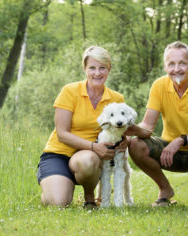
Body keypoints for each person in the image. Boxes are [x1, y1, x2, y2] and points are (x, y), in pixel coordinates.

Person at [127, 41, 188, 207]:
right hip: (168, 153)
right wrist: (130, 130)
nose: (176, 69)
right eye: (171, 64)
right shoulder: (159, 85)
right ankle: (165, 189)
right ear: (165, 67)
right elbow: (148, 125)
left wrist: (181, 140)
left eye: (182, 63)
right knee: (135, 144)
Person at [37, 46, 128, 209]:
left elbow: (120, 126)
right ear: (85, 69)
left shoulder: (116, 98)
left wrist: (125, 139)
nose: (97, 73)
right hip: (59, 153)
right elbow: (62, 134)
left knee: (87, 161)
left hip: (88, 157)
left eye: (102, 68)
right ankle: (56, 188)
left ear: (109, 69)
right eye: (92, 68)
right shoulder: (69, 91)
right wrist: (94, 146)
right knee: (59, 203)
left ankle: (89, 197)